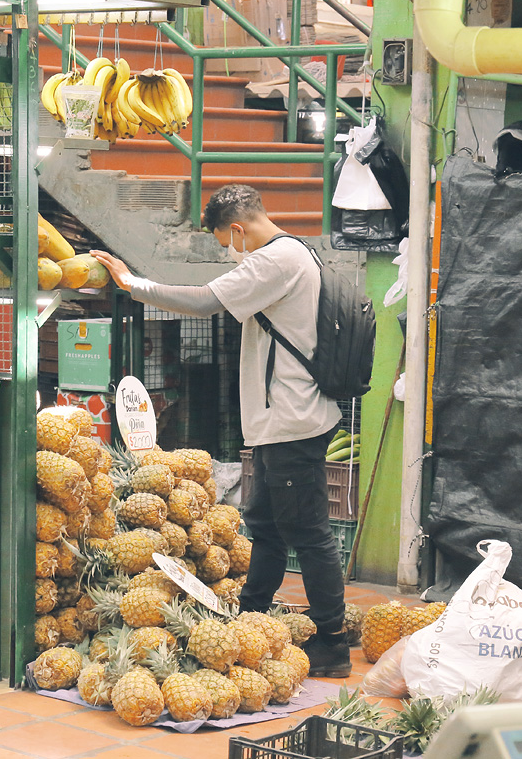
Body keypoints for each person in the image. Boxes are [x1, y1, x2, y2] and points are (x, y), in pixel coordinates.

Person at [91, 183, 351, 677]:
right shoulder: (291, 254)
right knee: (267, 526)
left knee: (308, 533)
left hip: (291, 420)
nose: (228, 252)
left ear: (237, 228)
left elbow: (206, 301)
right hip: (280, 421)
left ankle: (332, 643)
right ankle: (251, 615)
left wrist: (133, 284)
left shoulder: (275, 259)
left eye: (225, 242)